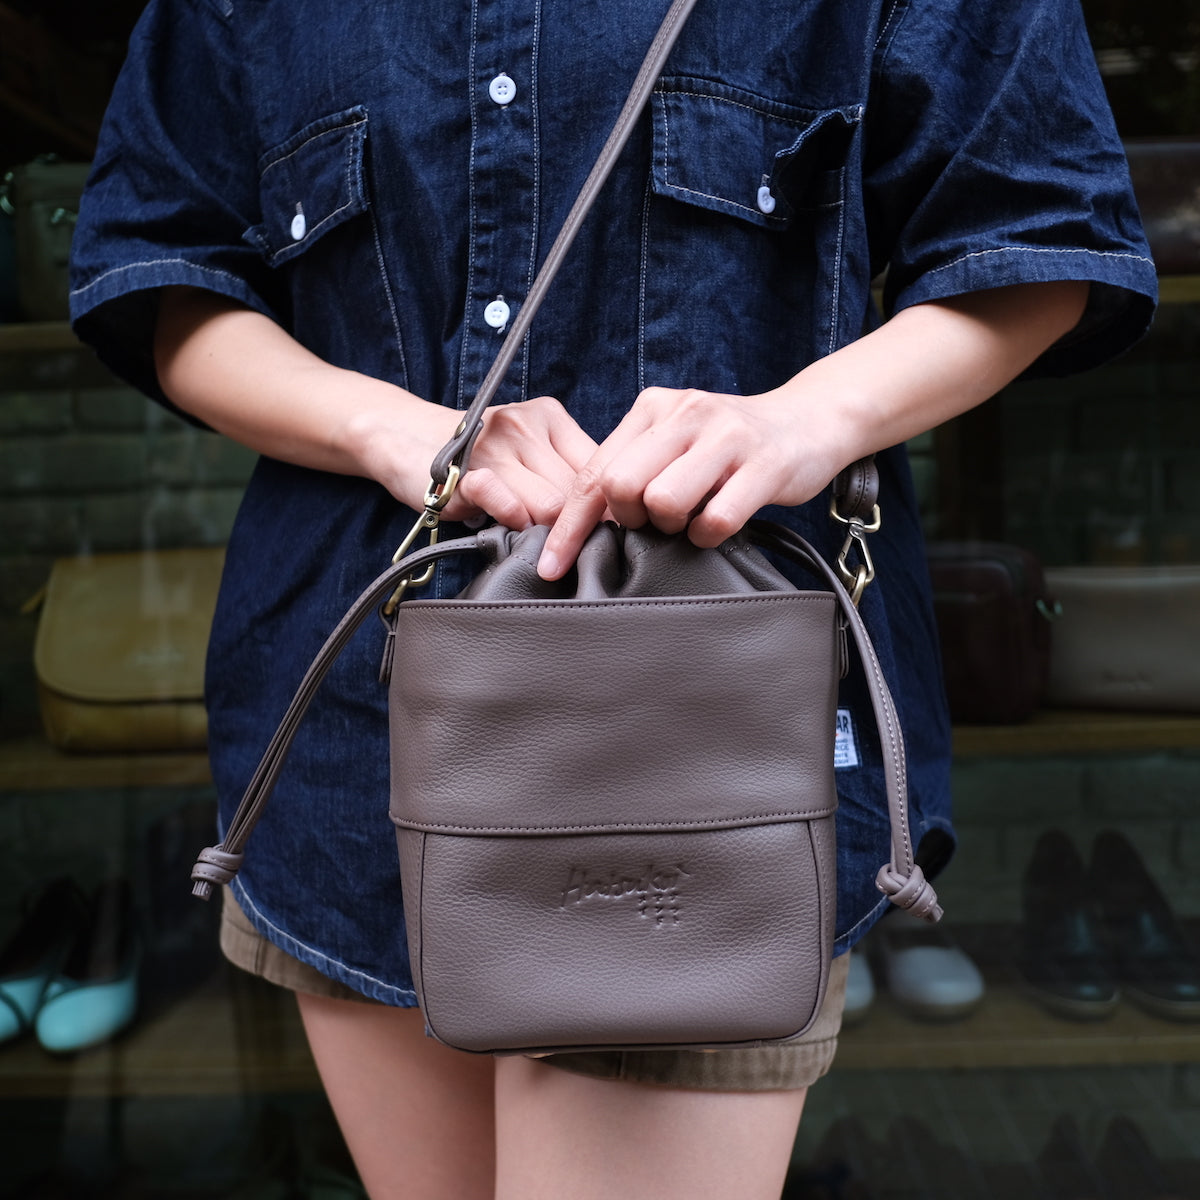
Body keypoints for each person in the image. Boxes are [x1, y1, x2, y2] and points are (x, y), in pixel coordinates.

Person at [69, 0, 1155, 1196]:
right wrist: (398, 431)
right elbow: (166, 282)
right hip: (348, 736)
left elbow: (1041, 244)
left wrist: (805, 421)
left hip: (698, 728)